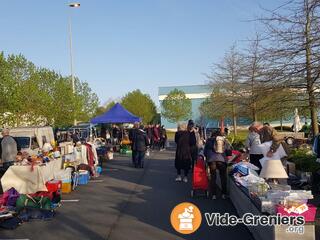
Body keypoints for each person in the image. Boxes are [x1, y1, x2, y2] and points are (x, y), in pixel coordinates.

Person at [204, 130, 231, 200]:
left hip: (211, 160)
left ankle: (214, 195)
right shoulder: (224, 140)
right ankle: (224, 194)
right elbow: (229, 152)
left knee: (213, 177)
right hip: (222, 160)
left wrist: (208, 157)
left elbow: (205, 152)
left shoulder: (209, 140)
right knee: (223, 177)